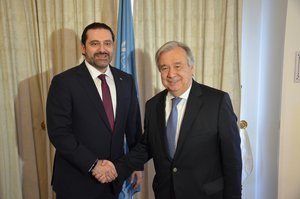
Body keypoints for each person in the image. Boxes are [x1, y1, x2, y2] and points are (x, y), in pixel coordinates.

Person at [95, 41, 242, 199]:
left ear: (191, 68)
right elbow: (146, 147)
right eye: (164, 68)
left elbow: (232, 160)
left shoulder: (217, 102)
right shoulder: (153, 105)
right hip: (165, 193)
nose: (171, 74)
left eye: (178, 66)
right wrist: (116, 168)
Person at [46, 22, 143, 199]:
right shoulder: (64, 82)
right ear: (83, 48)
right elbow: (59, 133)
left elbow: (134, 128)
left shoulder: (126, 81)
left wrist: (136, 165)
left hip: (114, 179)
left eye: (107, 43)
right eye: (94, 43)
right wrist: (93, 164)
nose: (102, 49)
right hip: (76, 182)